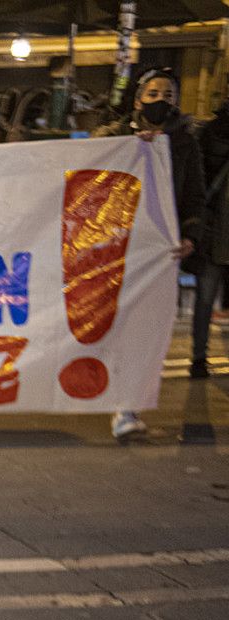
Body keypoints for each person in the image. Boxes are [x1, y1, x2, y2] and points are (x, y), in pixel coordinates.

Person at [94, 68, 205, 439]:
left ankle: (126, 408)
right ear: (139, 99)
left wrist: (190, 234)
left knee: (145, 328)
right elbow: (85, 169)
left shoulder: (185, 143)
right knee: (114, 323)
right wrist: (129, 149)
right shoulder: (113, 136)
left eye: (169, 95)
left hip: (159, 248)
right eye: (153, 93)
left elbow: (193, 195)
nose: (161, 100)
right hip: (115, 245)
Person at [191, 96, 229, 379]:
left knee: (204, 299)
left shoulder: (208, 133)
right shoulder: (208, 134)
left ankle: (199, 358)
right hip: (216, 230)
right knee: (204, 298)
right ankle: (199, 357)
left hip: (214, 230)